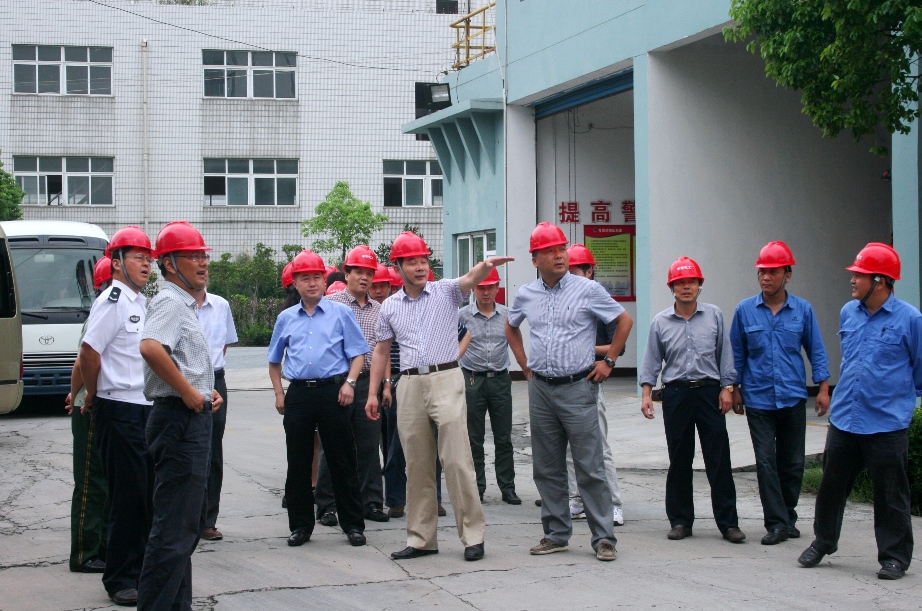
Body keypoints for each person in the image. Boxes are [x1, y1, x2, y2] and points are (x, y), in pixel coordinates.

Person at [365, 231, 512, 562]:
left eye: (423, 261)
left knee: (456, 459)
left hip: (446, 378)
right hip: (409, 384)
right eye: (412, 262)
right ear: (398, 267)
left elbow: (470, 278)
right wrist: (374, 393)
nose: (420, 267)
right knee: (417, 464)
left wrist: (486, 266)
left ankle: (472, 536)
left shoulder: (446, 291)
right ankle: (421, 539)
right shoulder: (390, 307)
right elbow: (381, 351)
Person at [506, 222, 630, 562]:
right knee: (547, 467)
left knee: (590, 466)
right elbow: (511, 326)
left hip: (578, 387)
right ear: (535, 259)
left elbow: (624, 321)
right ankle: (556, 533)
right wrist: (524, 364)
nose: (559, 255)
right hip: (541, 390)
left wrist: (609, 361)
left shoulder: (587, 289)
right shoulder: (526, 294)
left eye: (562, 249)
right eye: (549, 251)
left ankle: (603, 538)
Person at [798, 243, 921, 580]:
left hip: (887, 423)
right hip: (846, 418)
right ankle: (823, 542)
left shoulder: (910, 319)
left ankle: (894, 557)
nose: (852, 280)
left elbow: (920, 369)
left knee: (890, 494)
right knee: (831, 487)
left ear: (880, 280)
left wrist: (903, 403)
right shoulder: (848, 312)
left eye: (859, 275)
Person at [137, 221, 224, 610]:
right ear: (170, 264)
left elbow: (179, 358)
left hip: (187, 417)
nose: (202, 263)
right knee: (174, 530)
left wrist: (203, 390)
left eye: (203, 256)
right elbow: (151, 347)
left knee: (184, 528)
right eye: (193, 256)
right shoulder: (170, 302)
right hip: (179, 421)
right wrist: (189, 392)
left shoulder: (183, 303)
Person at [730, 241, 830, 546]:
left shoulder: (803, 310)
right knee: (765, 461)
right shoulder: (745, 310)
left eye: (773, 272)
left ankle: (788, 516)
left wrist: (823, 388)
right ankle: (775, 523)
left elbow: (816, 350)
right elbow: (737, 353)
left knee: (793, 463)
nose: (766, 277)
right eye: (762, 271)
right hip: (758, 398)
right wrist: (734, 388)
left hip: (792, 396)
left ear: (787, 275)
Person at [267, 249, 369, 549]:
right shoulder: (286, 318)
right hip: (299, 394)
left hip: (333, 392)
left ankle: (353, 524)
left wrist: (350, 383)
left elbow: (358, 354)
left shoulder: (341, 313)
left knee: (342, 460)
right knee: (298, 462)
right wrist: (279, 393)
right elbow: (274, 360)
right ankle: (300, 526)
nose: (311, 283)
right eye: (305, 278)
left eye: (316, 278)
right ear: (295, 283)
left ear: (325, 282)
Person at [640, 256, 745, 544]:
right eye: (680, 282)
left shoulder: (714, 315)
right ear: (671, 287)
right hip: (676, 395)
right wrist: (647, 394)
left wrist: (728, 387)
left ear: (700, 285)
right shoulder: (660, 322)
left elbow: (725, 353)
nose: (686, 287)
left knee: (718, 458)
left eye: (691, 282)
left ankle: (729, 524)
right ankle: (680, 521)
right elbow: (651, 360)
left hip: (710, 393)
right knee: (679, 459)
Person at [79, 226, 155, 607]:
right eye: (138, 256)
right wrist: (93, 394)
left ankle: (138, 569)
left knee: (144, 496)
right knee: (127, 497)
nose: (146, 264)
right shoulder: (112, 301)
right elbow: (89, 352)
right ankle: (120, 577)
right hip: (119, 407)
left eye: (148, 257)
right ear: (117, 262)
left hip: (144, 408)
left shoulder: (141, 303)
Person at [316, 245, 390, 526]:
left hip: (368, 383)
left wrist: (384, 386)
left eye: (369, 273)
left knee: (369, 444)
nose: (364, 278)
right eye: (358, 272)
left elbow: (383, 351)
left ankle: (371, 502)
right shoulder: (330, 304)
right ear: (346, 274)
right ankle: (327, 505)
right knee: (332, 445)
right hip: (336, 383)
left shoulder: (380, 310)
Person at [565, 244, 626, 526]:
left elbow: (618, 343)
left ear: (590, 271)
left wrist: (595, 354)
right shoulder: (563, 300)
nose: (570, 278)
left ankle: (612, 504)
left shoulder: (601, 300)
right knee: (569, 448)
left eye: (575, 271)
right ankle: (577, 500)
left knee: (598, 446)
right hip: (564, 381)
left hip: (589, 380)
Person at [66, 256, 112, 576]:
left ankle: (102, 546)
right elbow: (83, 361)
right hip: (89, 408)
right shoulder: (103, 311)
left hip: (102, 404)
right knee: (90, 483)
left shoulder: (109, 308)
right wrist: (78, 395)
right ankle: (84, 553)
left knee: (104, 482)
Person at [458, 267, 520, 505]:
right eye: (481, 287)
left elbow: (515, 342)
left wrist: (526, 366)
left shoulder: (508, 315)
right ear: (474, 289)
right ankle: (477, 488)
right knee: (474, 437)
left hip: (500, 380)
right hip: (472, 379)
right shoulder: (462, 316)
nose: (486, 292)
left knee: (503, 436)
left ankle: (508, 487)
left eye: (490, 287)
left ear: (497, 288)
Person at [196, 274, 239, 541]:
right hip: (183, 380)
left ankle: (208, 520)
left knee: (213, 452)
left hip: (215, 379)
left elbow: (223, 346)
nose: (201, 269)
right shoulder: (173, 306)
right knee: (186, 450)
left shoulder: (221, 305)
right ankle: (185, 517)